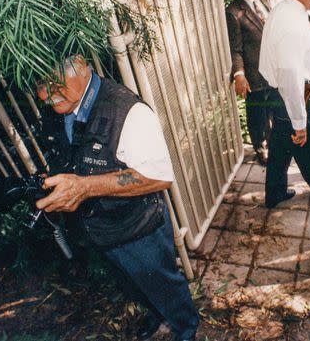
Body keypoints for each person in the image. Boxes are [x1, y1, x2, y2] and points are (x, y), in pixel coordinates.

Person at [35, 55, 199, 341]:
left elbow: (157, 177)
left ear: (81, 64)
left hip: (139, 230)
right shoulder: (59, 108)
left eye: (52, 80)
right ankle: (157, 314)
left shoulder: (128, 112)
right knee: (133, 284)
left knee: (164, 283)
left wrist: (84, 187)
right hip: (101, 229)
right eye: (38, 84)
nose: (46, 94)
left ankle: (185, 327)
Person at [258, 0, 310, 208]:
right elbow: (290, 75)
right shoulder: (291, 21)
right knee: (309, 148)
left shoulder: (285, 10)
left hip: (280, 94)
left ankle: (274, 193)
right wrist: (300, 122)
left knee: (279, 146)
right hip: (296, 95)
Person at [226, 0, 275, 166]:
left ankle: (276, 145)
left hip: (273, 68)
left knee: (274, 109)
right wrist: (239, 75)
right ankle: (261, 148)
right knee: (257, 114)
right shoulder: (233, 12)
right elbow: (235, 48)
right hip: (254, 73)